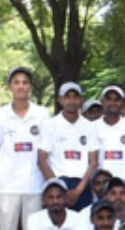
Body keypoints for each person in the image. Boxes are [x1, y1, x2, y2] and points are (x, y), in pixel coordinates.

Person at [0, 66, 52, 230]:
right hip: (7, 186)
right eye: (16, 82)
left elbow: (45, 151)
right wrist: (7, 171)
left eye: (24, 82)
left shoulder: (42, 114)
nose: (20, 86)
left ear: (30, 86)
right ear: (10, 87)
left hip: (35, 184)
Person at [39, 82, 96, 210]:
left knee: (82, 227)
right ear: (60, 100)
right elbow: (42, 159)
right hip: (57, 183)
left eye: (75, 97)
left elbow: (93, 162)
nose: (72, 101)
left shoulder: (90, 126)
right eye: (67, 97)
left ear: (81, 100)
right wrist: (58, 188)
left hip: (82, 185)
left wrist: (78, 190)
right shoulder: (50, 125)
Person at [93, 85, 125, 203]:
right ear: (102, 102)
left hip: (124, 183)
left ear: (123, 103)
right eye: (109, 99)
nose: (113, 103)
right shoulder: (93, 127)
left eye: (117, 99)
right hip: (101, 187)